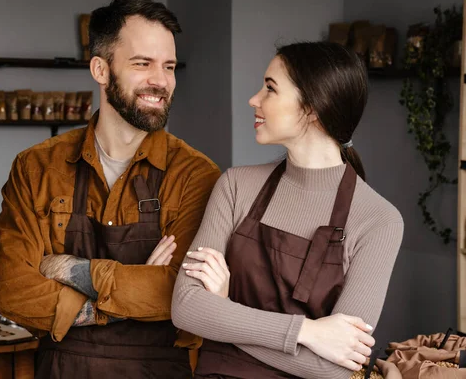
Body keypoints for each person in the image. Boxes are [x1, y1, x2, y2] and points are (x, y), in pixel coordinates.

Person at [0, 0, 220, 379]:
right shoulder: (36, 168)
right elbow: (14, 291)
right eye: (142, 64)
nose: (161, 80)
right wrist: (129, 295)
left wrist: (73, 270)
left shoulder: (196, 175)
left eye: (169, 66)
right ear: (100, 69)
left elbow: (186, 295)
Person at [171, 41, 404, 379]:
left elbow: (335, 368)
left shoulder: (378, 221)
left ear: (312, 109)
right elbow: (187, 308)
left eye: (270, 89)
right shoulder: (236, 186)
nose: (254, 99)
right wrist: (307, 333)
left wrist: (226, 315)